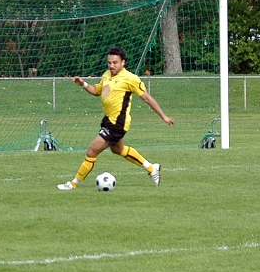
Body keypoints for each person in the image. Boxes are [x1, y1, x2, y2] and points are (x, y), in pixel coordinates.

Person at [57, 47, 174, 190]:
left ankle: (73, 184)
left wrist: (163, 116)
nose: (111, 66)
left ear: (123, 63)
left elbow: (147, 98)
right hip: (108, 120)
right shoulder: (106, 75)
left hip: (117, 123)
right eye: (109, 62)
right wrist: (84, 84)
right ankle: (151, 168)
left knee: (92, 151)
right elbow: (97, 91)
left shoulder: (130, 79)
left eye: (115, 63)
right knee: (118, 150)